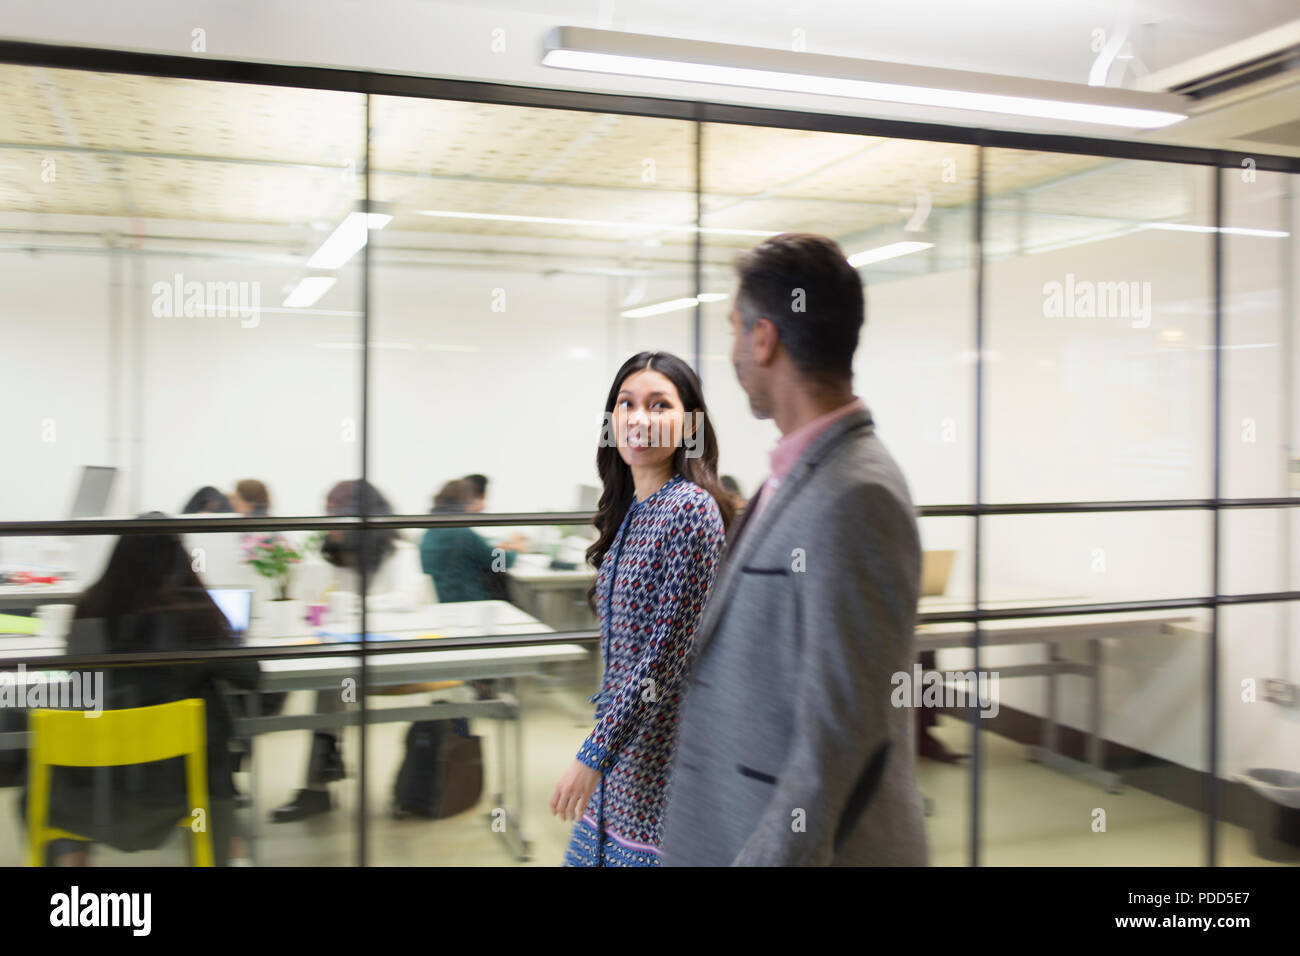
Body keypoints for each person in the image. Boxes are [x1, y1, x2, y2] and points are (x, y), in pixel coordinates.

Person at [661, 233, 928, 866]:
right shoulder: (794, 475)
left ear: (764, 338)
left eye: (734, 330)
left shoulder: (857, 496)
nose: (733, 353)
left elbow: (839, 741)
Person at [550, 350, 731, 866]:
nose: (639, 419)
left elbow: (664, 659)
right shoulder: (632, 510)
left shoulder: (689, 510)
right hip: (621, 755)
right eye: (626, 404)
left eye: (659, 405)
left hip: (661, 763)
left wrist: (593, 753)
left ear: (689, 424)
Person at [21, 516, 260, 866]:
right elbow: (251, 675)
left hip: (87, 792)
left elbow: (77, 675)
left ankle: (70, 863)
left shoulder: (89, 608)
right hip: (179, 791)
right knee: (210, 717)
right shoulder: (194, 616)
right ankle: (219, 855)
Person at [271, 479, 423, 822]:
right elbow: (317, 598)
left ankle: (318, 781)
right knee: (327, 679)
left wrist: (349, 604)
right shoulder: (333, 554)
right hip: (346, 657)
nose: (330, 522)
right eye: (328, 513)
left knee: (330, 683)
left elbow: (409, 598)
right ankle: (318, 781)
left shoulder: (401, 552)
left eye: (337, 513)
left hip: (391, 657)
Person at [420, 478, 525, 603]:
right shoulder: (460, 533)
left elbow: (474, 548)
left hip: (445, 601)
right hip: (469, 602)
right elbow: (500, 563)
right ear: (465, 502)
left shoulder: (431, 532)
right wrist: (515, 549)